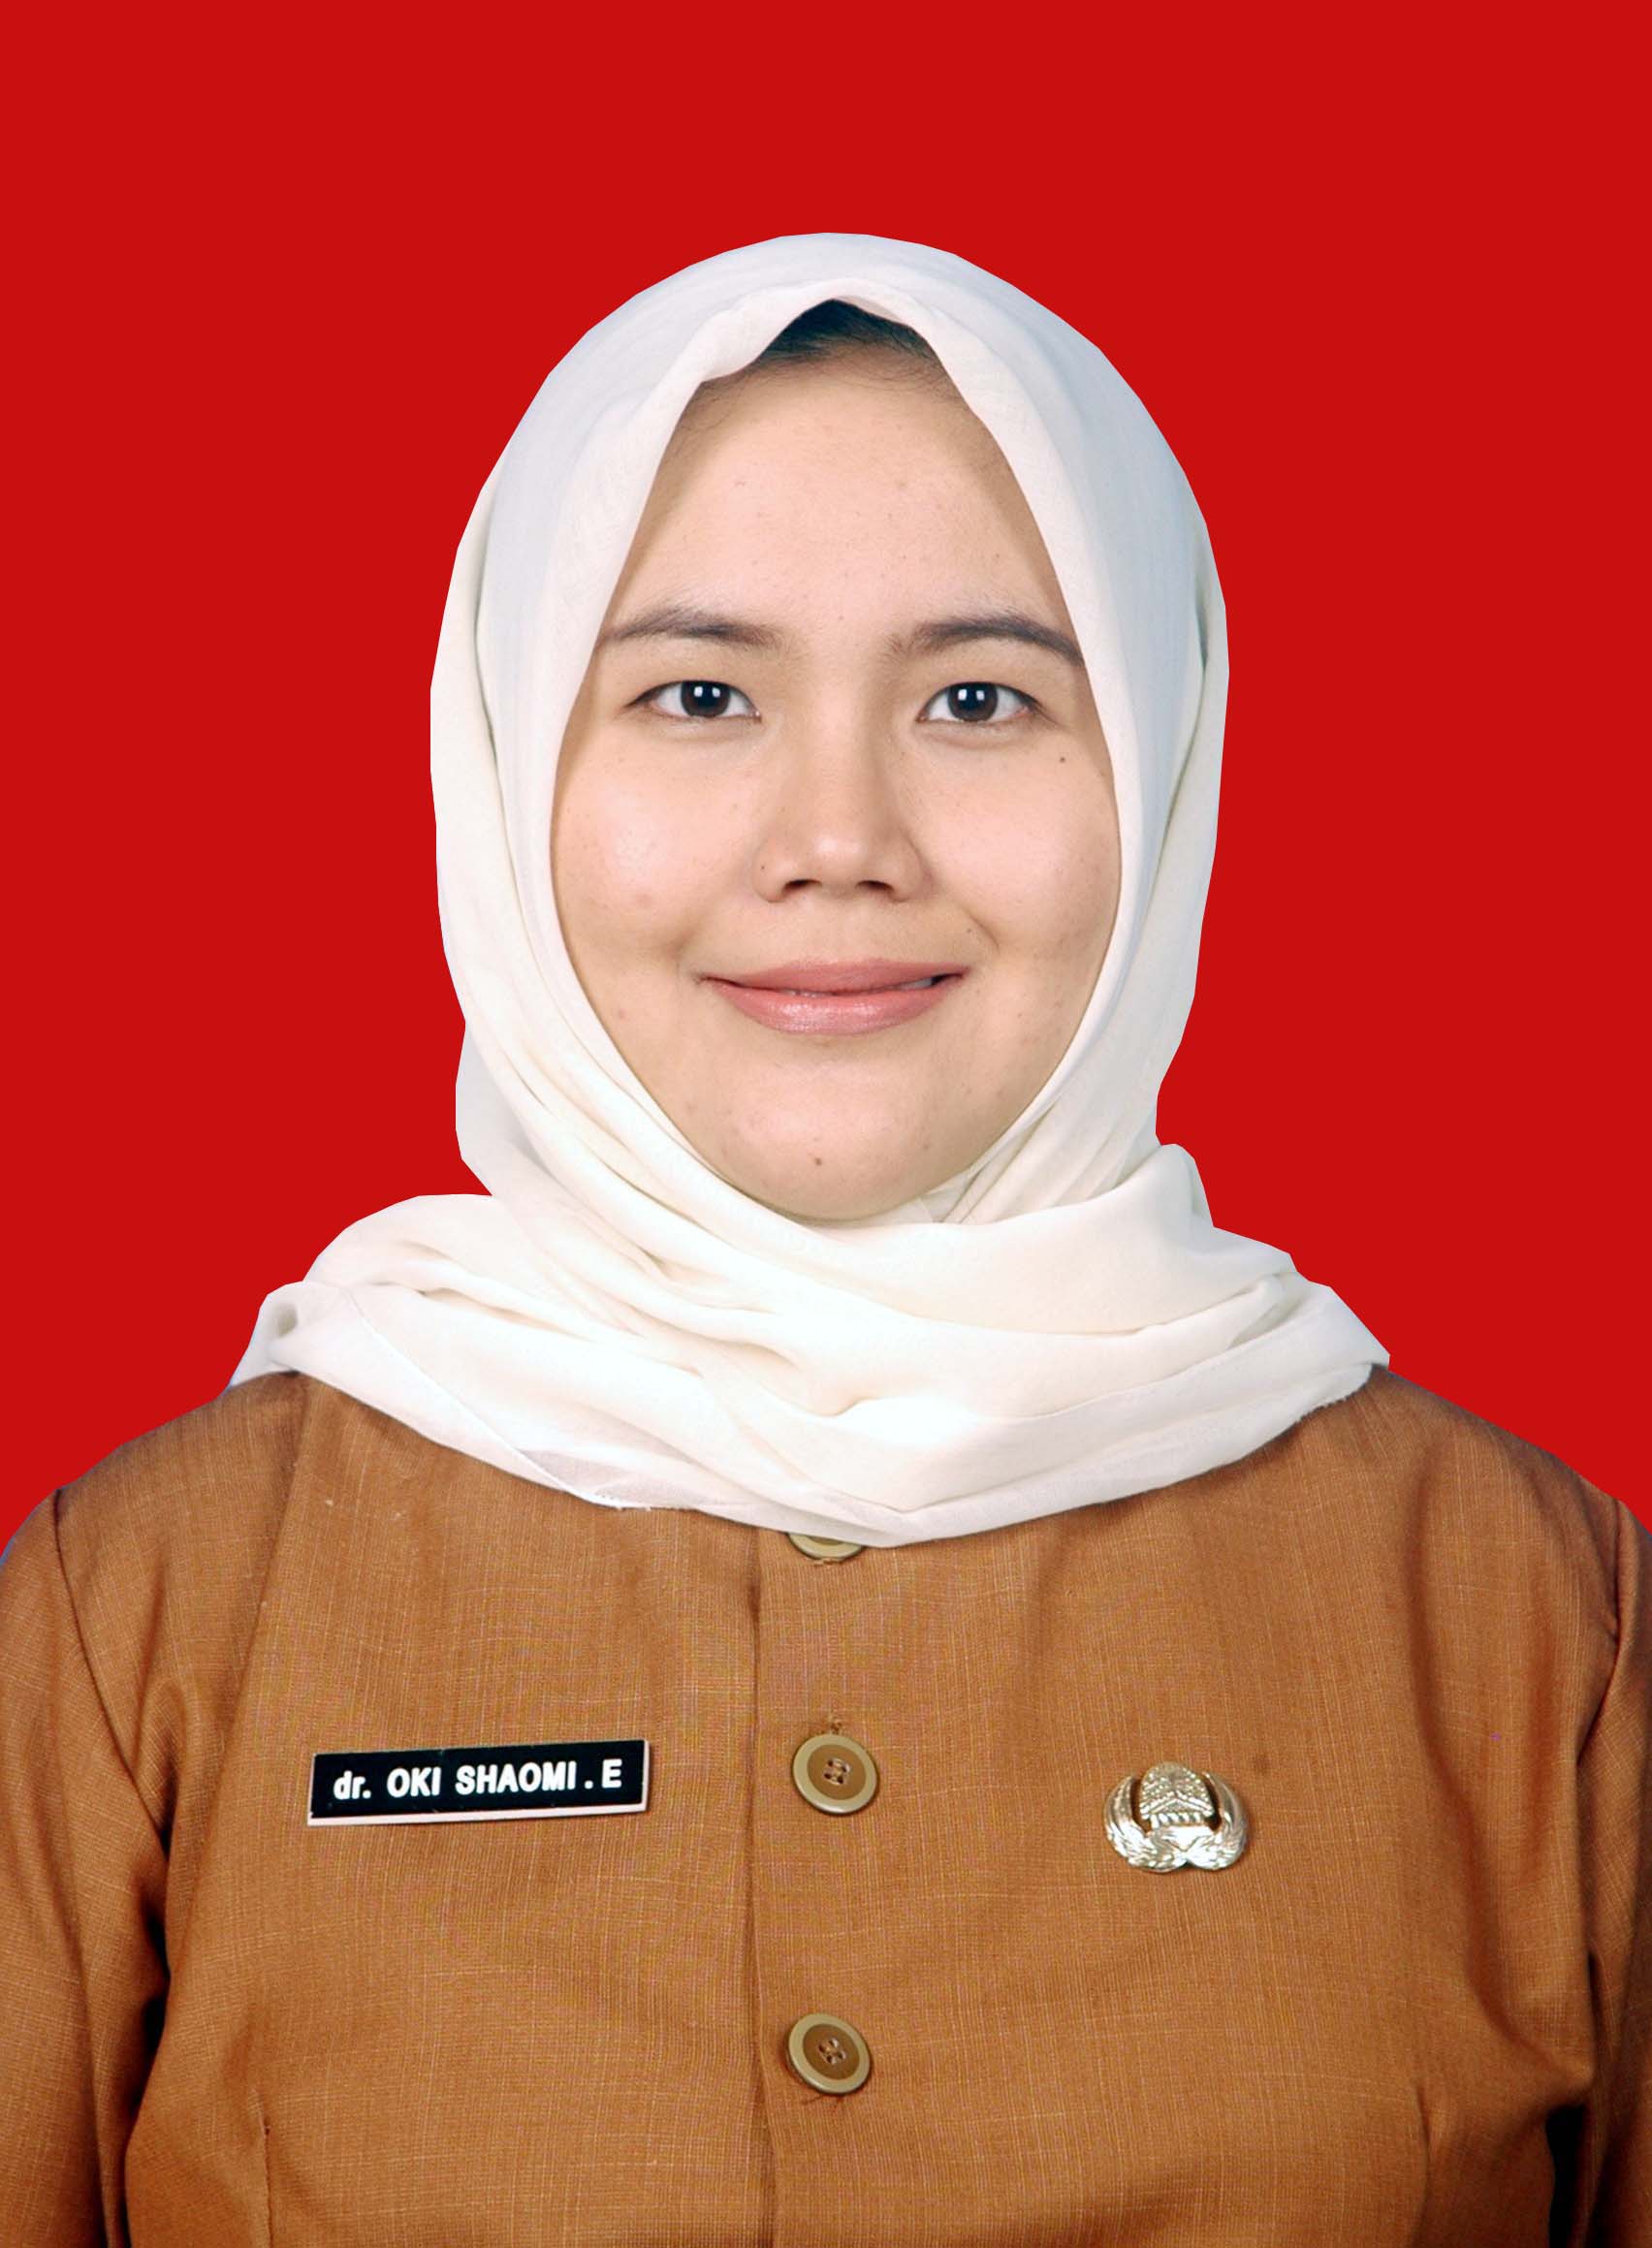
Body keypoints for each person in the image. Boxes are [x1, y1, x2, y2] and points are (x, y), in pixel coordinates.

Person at [1, 232, 1644, 2245]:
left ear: (1164, 767)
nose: (839, 835)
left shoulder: (1528, 1617)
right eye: (698, 694)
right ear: (509, 765)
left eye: (980, 696)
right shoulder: (152, 1611)